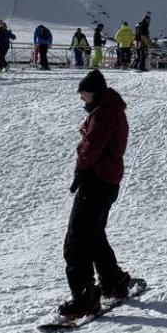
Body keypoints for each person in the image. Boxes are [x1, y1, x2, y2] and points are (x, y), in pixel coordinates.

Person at [58, 70, 133, 320]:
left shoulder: (104, 113)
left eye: (85, 92)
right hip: (107, 182)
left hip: (96, 182)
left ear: (96, 92)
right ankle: (114, 281)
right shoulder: (110, 109)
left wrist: (80, 168)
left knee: (76, 242)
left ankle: (85, 298)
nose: (81, 97)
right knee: (94, 235)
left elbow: (91, 149)